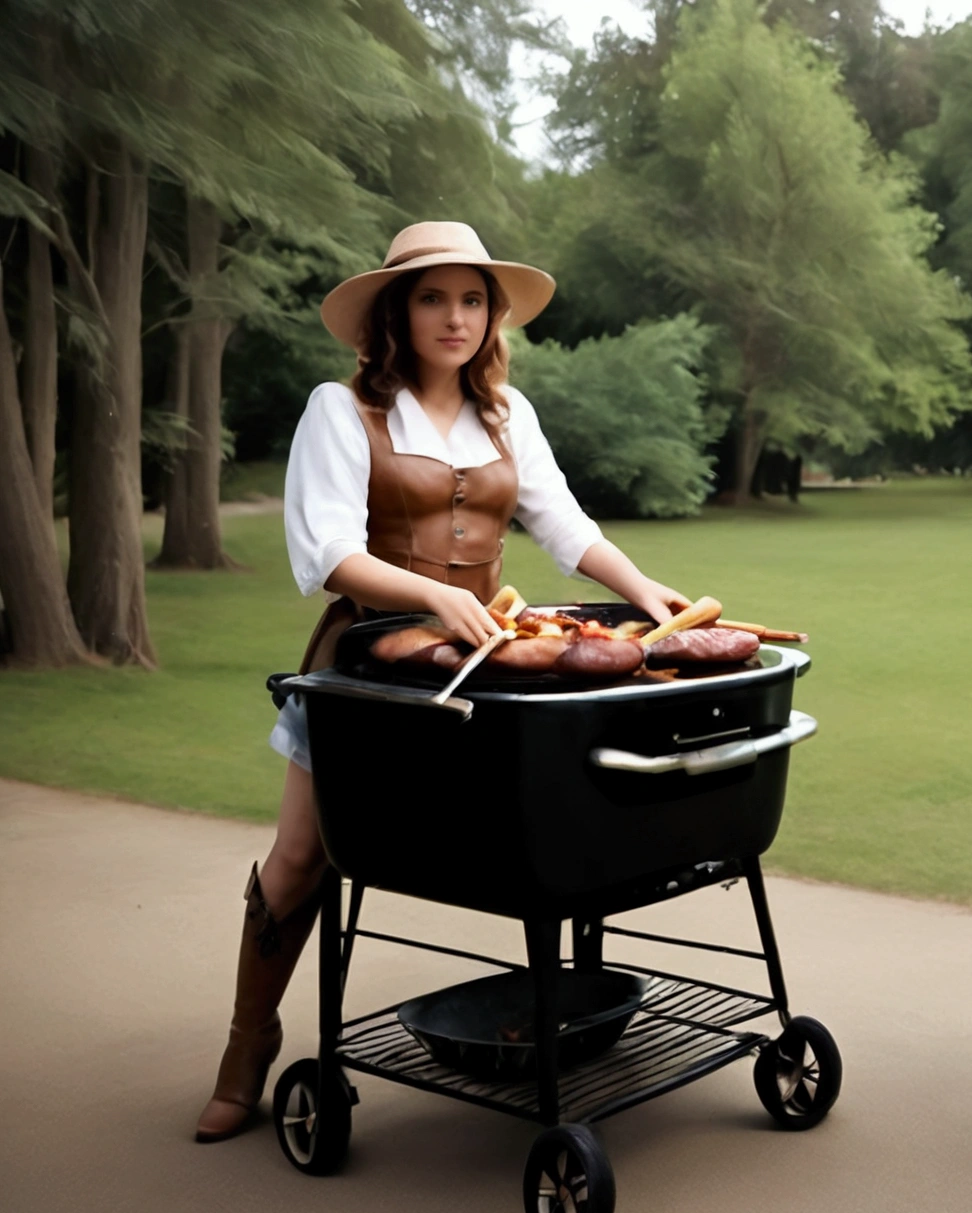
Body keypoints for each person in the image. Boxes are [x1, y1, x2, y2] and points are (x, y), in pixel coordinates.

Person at [194, 222, 691, 1142]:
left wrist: (641, 589)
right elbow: (330, 553)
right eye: (432, 297)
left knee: (515, 844)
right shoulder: (342, 412)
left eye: (471, 299)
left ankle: (556, 1021)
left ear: (490, 315)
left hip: (484, 664)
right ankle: (248, 1044)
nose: (455, 317)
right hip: (365, 666)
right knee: (304, 855)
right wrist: (430, 593)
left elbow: (565, 525)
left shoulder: (509, 415)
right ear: (398, 310)